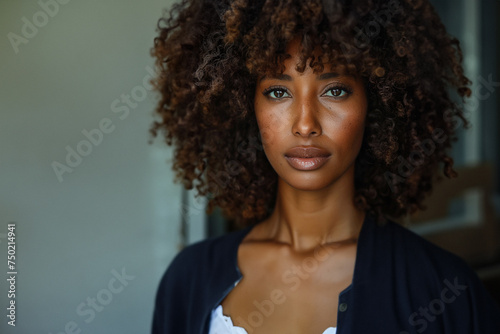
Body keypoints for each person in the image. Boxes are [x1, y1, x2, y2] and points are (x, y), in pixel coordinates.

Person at [149, 0, 500, 333]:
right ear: (244, 105)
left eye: (334, 91)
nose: (305, 124)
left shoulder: (444, 290)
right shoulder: (189, 279)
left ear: (376, 104)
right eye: (277, 92)